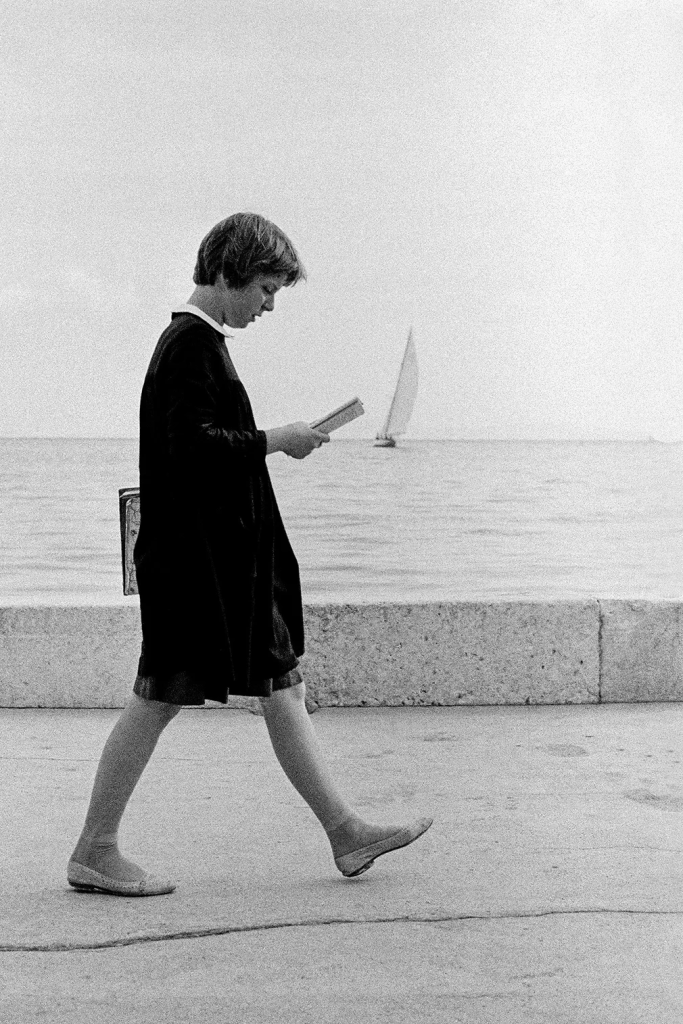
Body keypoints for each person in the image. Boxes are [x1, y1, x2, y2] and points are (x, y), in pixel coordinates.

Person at [68, 213, 432, 896]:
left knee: (279, 685)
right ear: (227, 272)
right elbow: (191, 448)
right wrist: (276, 438)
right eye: (265, 288)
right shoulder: (189, 344)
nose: (268, 306)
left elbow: (196, 446)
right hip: (195, 567)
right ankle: (95, 848)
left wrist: (272, 442)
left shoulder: (198, 343)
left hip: (216, 563)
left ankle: (345, 833)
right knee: (158, 695)